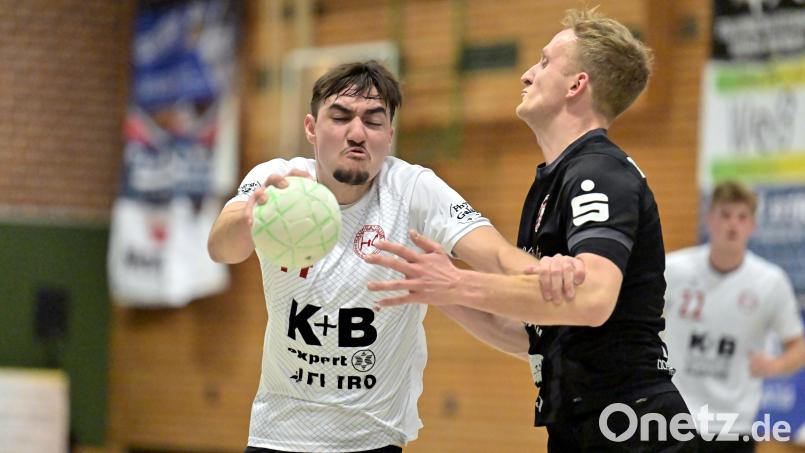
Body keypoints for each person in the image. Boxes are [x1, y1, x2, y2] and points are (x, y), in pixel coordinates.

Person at [207, 60, 582, 453]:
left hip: (372, 440)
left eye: (373, 121)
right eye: (340, 117)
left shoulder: (413, 190)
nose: (356, 133)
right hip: (277, 435)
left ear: (389, 134)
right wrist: (252, 213)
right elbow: (221, 248)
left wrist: (547, 270)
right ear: (311, 129)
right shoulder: (279, 179)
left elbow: (499, 257)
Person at [366, 8, 695, 452]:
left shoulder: (598, 174)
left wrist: (459, 280)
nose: (526, 75)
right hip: (581, 424)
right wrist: (434, 287)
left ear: (576, 84)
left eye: (543, 62)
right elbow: (532, 335)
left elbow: (593, 300)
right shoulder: (555, 181)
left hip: (631, 424)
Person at [664, 181, 805, 452]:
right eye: (725, 214)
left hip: (734, 423)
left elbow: (798, 346)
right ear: (709, 219)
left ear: (753, 225)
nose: (733, 225)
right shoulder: (673, 269)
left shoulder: (770, 282)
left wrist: (775, 366)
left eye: (742, 217)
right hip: (677, 418)